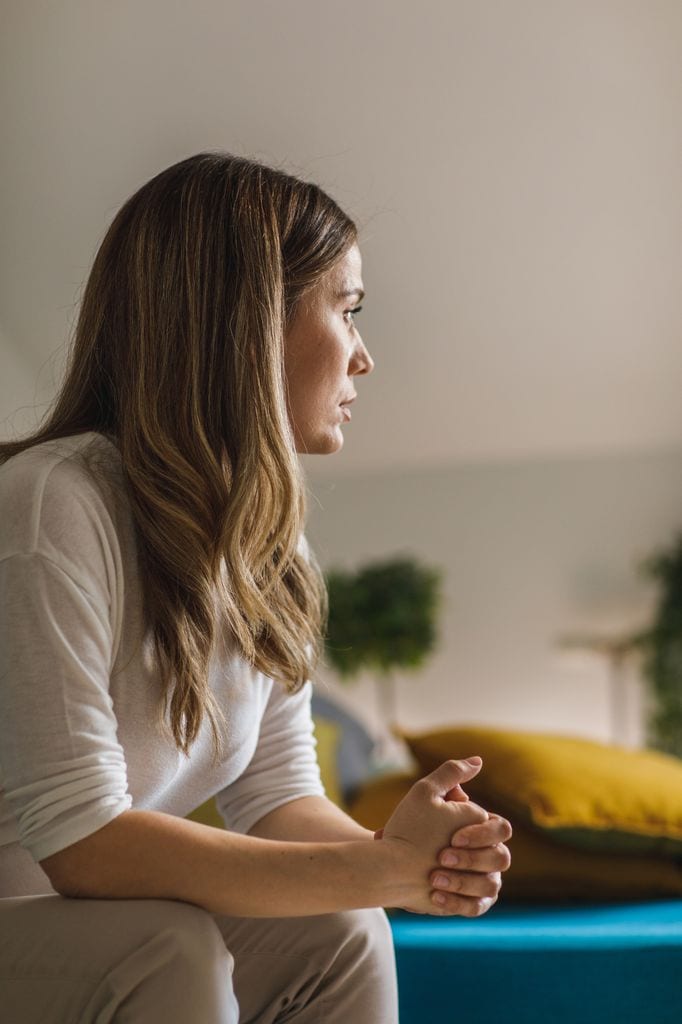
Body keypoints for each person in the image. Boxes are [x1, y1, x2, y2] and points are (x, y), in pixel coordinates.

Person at [0, 152, 512, 1023]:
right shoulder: (54, 506)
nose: (364, 358)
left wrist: (413, 859)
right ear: (249, 323)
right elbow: (81, 845)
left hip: (73, 924)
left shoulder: (272, 550)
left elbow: (276, 800)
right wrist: (381, 867)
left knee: (346, 929)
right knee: (167, 943)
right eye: (347, 312)